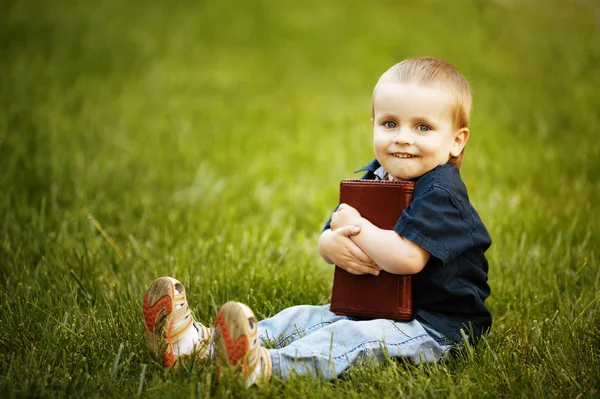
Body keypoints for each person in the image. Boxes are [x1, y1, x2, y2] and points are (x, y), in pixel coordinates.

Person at [142, 57, 492, 386]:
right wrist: (331, 244)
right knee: (302, 318)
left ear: (456, 142)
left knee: (349, 339)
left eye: (423, 127)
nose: (402, 137)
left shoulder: (441, 192)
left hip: (436, 325)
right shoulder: (379, 175)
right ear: (373, 124)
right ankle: (198, 346)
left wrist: (358, 227)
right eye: (390, 123)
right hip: (378, 307)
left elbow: (407, 259)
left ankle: (262, 367)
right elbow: (333, 234)